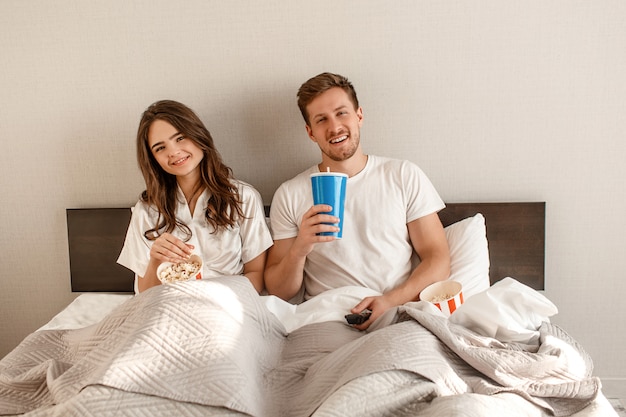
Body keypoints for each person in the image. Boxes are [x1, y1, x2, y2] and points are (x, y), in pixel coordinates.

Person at [265, 73, 451, 329]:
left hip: (396, 313)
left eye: (342, 113)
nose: (334, 127)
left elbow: (437, 258)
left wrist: (389, 301)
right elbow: (278, 291)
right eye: (322, 120)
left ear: (359, 116)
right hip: (326, 318)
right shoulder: (290, 193)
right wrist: (300, 247)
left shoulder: (403, 175)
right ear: (310, 132)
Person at [118, 100, 272, 294]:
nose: (173, 152)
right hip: (169, 307)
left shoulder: (243, 198)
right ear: (153, 159)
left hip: (228, 304)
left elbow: (256, 275)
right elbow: (144, 294)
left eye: (180, 138)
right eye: (160, 148)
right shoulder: (147, 209)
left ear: (198, 135)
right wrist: (156, 260)